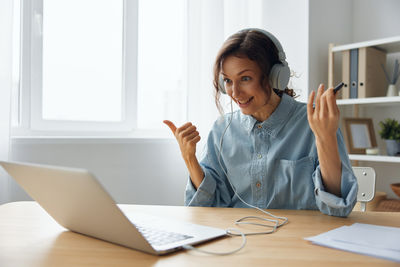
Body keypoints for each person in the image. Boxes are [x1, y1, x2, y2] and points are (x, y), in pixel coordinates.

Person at [164, 28, 357, 217]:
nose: (235, 93)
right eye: (228, 81)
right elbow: (208, 207)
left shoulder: (314, 123)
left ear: (276, 76)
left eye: (245, 78)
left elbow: (338, 208)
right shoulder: (222, 130)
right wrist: (189, 158)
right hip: (239, 240)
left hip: (298, 243)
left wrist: (326, 138)